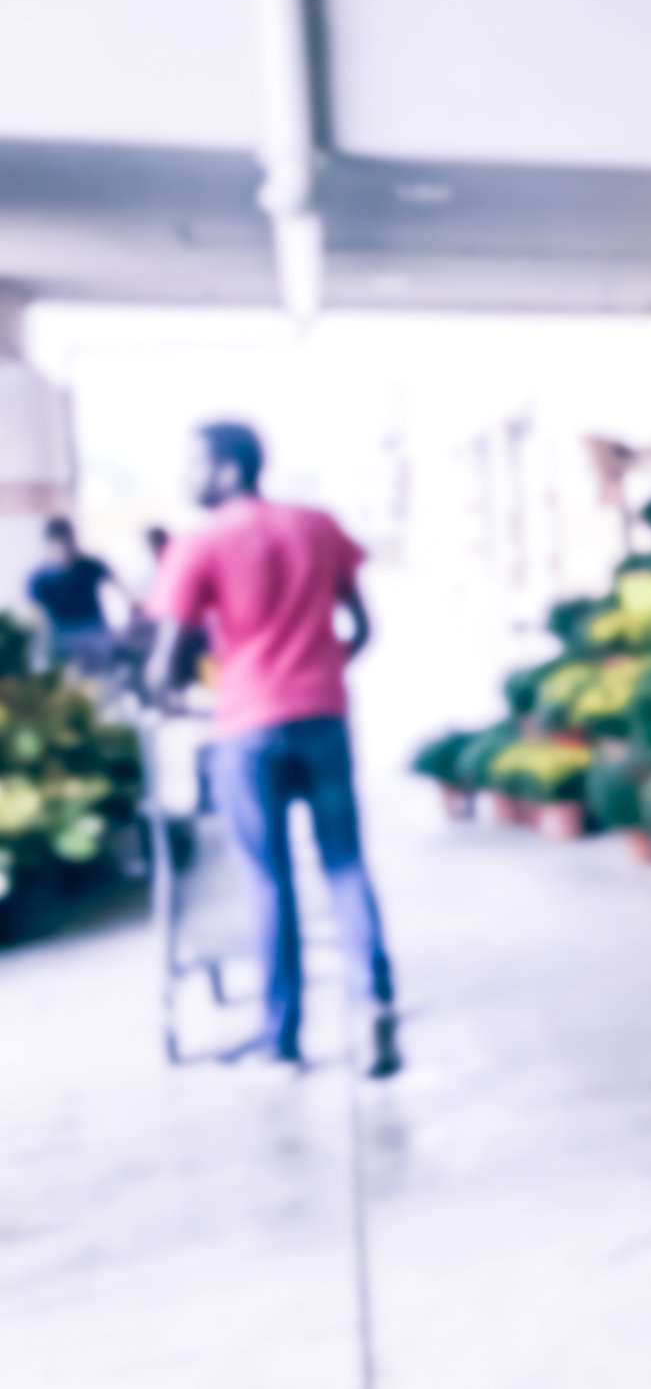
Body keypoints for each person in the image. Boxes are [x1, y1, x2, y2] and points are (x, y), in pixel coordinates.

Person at [146, 423, 400, 1077]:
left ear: (230, 467)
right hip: (322, 717)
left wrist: (190, 697)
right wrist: (317, 672)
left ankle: (282, 1033)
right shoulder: (318, 526)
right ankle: (373, 1007)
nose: (187, 476)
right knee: (344, 863)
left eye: (195, 461)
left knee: (268, 879)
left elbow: (163, 667)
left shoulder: (199, 541)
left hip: (246, 729)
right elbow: (362, 627)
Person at [26, 516, 124, 671]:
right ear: (49, 544)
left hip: (92, 632)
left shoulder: (89, 566)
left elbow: (118, 587)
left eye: (68, 541)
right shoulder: (40, 578)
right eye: (59, 543)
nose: (65, 547)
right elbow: (35, 615)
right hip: (60, 636)